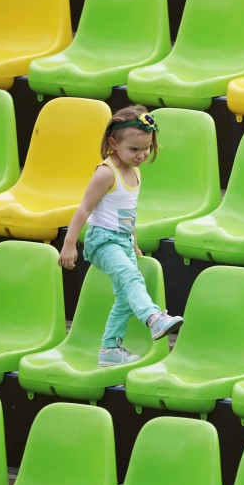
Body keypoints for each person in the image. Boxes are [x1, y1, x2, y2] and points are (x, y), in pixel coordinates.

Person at [59, 105, 183, 366]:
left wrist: (134, 243)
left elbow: (128, 213)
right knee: (130, 276)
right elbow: (84, 208)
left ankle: (109, 350)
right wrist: (69, 244)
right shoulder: (106, 172)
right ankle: (153, 318)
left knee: (125, 299)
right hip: (102, 241)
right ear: (113, 144)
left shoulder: (135, 171)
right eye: (134, 150)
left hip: (123, 241)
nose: (141, 155)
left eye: (146, 148)